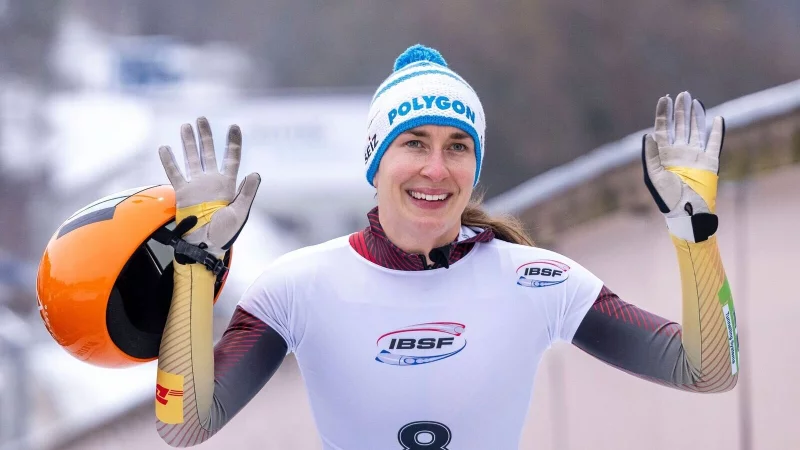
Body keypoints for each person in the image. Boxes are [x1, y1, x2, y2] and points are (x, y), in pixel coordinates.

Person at [152, 44, 740, 450]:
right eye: (415, 142)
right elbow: (183, 423)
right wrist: (195, 266)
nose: (435, 169)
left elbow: (709, 371)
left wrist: (696, 231)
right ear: (376, 163)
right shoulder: (296, 287)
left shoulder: (539, 281)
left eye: (458, 147)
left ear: (474, 165)